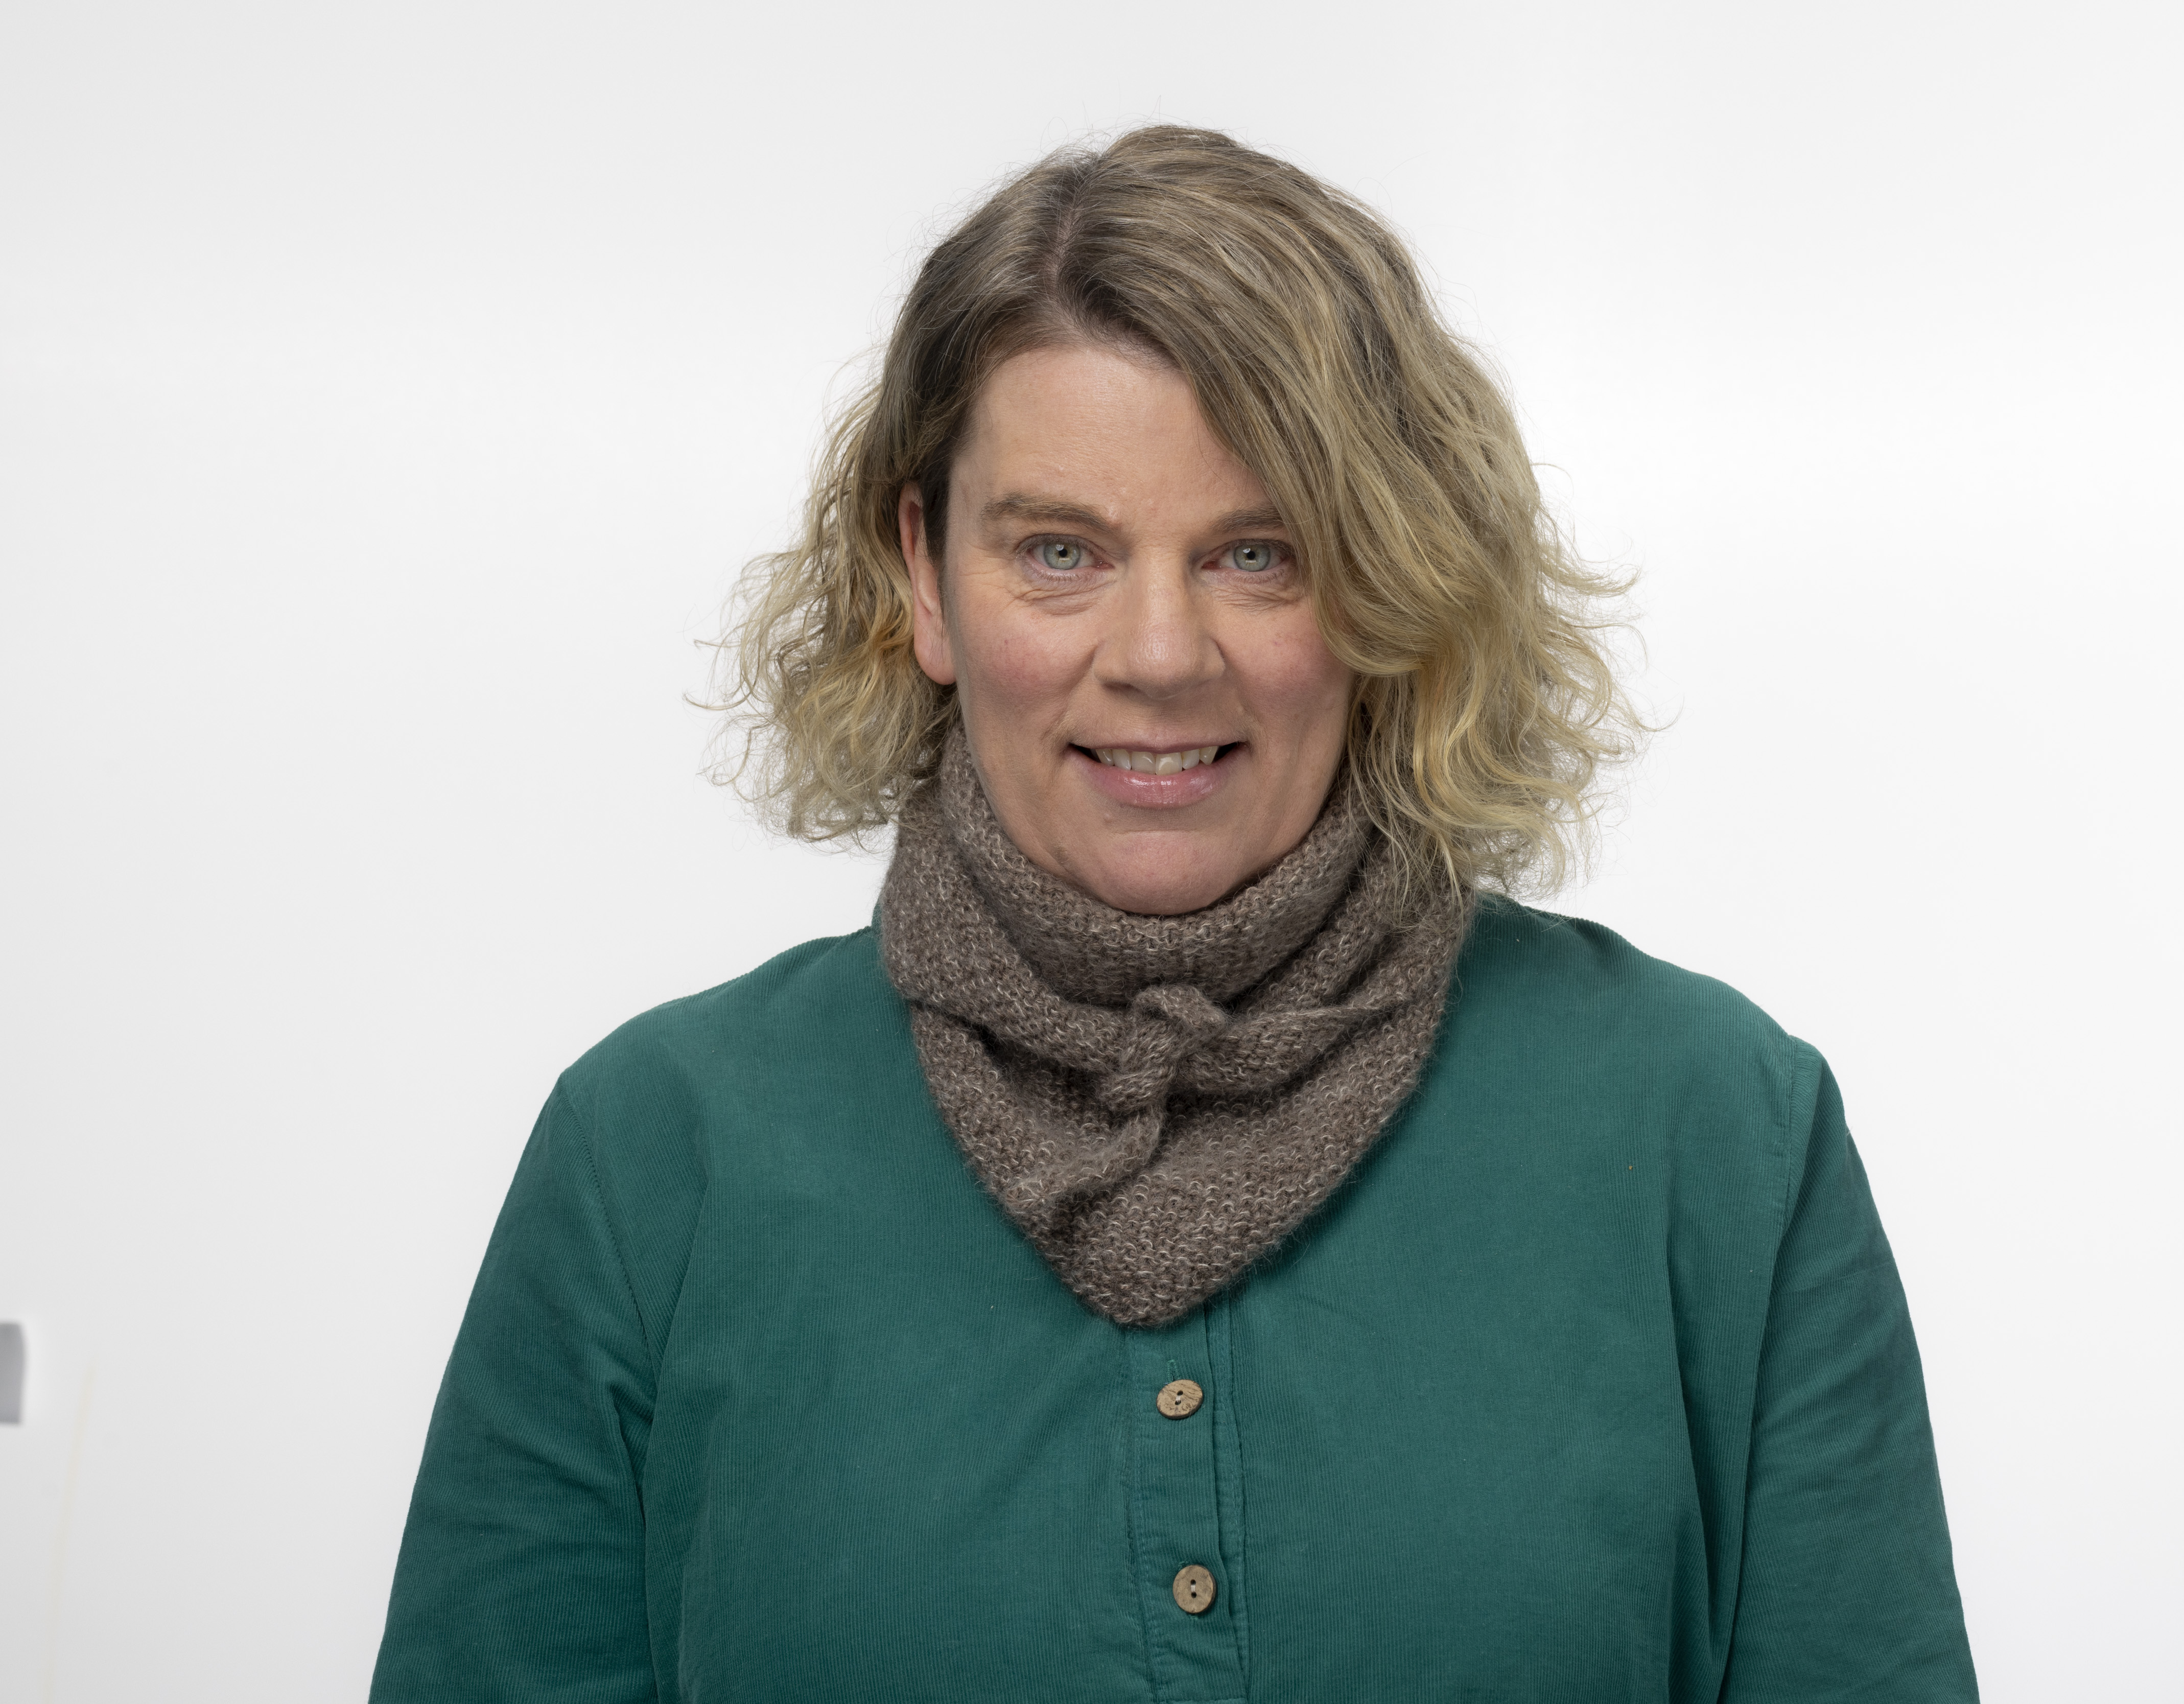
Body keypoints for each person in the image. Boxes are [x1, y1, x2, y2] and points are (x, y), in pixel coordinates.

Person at [371, 125, 1978, 1702]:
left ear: (1393, 577)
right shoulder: (653, 1156)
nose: (1157, 655)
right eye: (1060, 551)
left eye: (1257, 554)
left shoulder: (1716, 1135)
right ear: (926, 576)